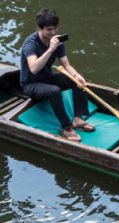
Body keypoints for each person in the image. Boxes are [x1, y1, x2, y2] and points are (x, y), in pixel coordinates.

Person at [20, 8, 94, 142]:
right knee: (54, 91)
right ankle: (66, 128)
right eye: (49, 30)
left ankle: (77, 119)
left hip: (48, 79)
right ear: (39, 28)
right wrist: (51, 49)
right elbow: (34, 69)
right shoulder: (30, 44)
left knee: (76, 80)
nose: (53, 33)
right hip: (31, 84)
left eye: (55, 29)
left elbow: (66, 65)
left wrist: (76, 75)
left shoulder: (57, 41)